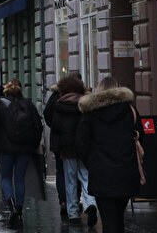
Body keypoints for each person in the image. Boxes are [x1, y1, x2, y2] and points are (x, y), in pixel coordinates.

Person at [76, 76, 143, 233]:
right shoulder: (129, 111)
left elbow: (81, 144)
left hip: (101, 174)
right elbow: (140, 137)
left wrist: (92, 163)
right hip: (126, 172)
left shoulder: (90, 114)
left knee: (109, 221)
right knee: (118, 218)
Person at [0, 78, 44, 226]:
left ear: (6, 90)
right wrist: (33, 145)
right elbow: (38, 126)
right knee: (20, 180)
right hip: (24, 149)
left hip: (5, 149)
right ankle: (19, 211)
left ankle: (12, 207)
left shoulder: (0, 105)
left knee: (6, 179)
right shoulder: (28, 105)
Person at [45, 73, 94, 223]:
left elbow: (55, 127)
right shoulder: (85, 104)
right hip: (83, 146)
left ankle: (73, 213)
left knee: (70, 179)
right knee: (85, 177)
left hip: (67, 148)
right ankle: (90, 203)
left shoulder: (60, 105)